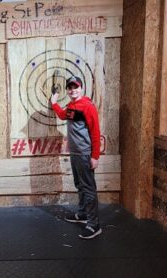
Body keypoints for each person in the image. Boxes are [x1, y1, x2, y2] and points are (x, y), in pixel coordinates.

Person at [50, 76, 102, 239]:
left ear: (81, 88)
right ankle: (83, 214)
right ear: (67, 90)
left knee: (88, 188)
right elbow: (63, 115)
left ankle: (94, 225)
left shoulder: (87, 106)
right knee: (80, 185)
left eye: (76, 87)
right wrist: (54, 102)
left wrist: (95, 156)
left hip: (85, 154)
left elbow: (95, 132)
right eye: (70, 87)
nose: (73, 90)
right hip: (75, 153)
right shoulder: (72, 106)